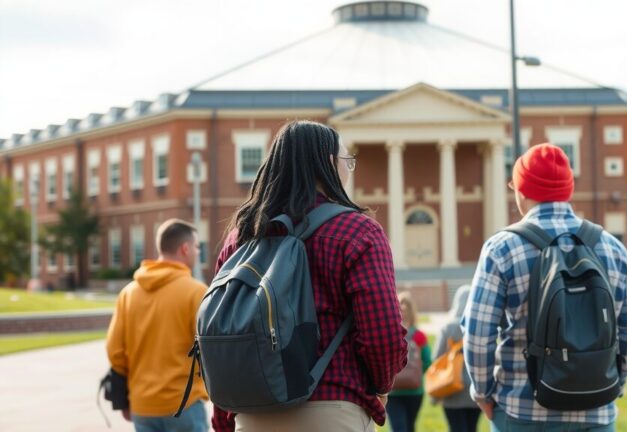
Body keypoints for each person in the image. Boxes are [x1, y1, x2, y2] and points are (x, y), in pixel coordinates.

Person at [210, 120, 408, 432]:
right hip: (333, 407)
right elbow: (382, 330)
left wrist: (223, 418)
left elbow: (223, 331)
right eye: (348, 162)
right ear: (329, 163)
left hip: (251, 412)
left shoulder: (241, 237)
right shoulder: (358, 231)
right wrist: (381, 386)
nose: (348, 171)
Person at [462, 143, 627, 431]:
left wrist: (483, 393)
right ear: (567, 190)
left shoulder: (502, 248)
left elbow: (478, 333)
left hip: (521, 412)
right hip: (595, 413)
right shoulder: (613, 249)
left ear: (522, 190)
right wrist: (612, 384)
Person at [106, 219, 209, 432]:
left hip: (143, 406)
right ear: (185, 248)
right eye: (197, 247)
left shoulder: (128, 293)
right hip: (185, 404)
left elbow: (115, 351)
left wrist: (124, 400)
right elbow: (210, 349)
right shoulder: (196, 292)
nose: (198, 252)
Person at [431, 285, 481, 432]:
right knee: (472, 428)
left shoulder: (448, 328)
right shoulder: (478, 326)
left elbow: (436, 357)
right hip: (475, 389)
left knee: (456, 428)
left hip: (451, 387)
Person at [386, 292, 431, 432]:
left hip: (392, 389)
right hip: (415, 390)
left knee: (399, 428)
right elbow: (428, 361)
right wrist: (414, 374)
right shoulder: (419, 336)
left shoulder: (389, 334)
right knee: (409, 427)